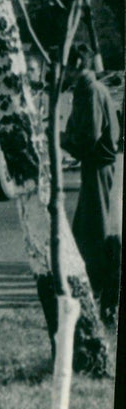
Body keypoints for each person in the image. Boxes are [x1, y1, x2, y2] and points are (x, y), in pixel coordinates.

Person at [61, 43, 122, 328]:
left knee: (94, 227)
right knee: (85, 225)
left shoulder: (88, 90)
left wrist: (61, 140)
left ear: (76, 64)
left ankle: (96, 285)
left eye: (67, 66)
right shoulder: (89, 88)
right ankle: (90, 282)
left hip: (98, 164)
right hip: (95, 164)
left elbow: (91, 135)